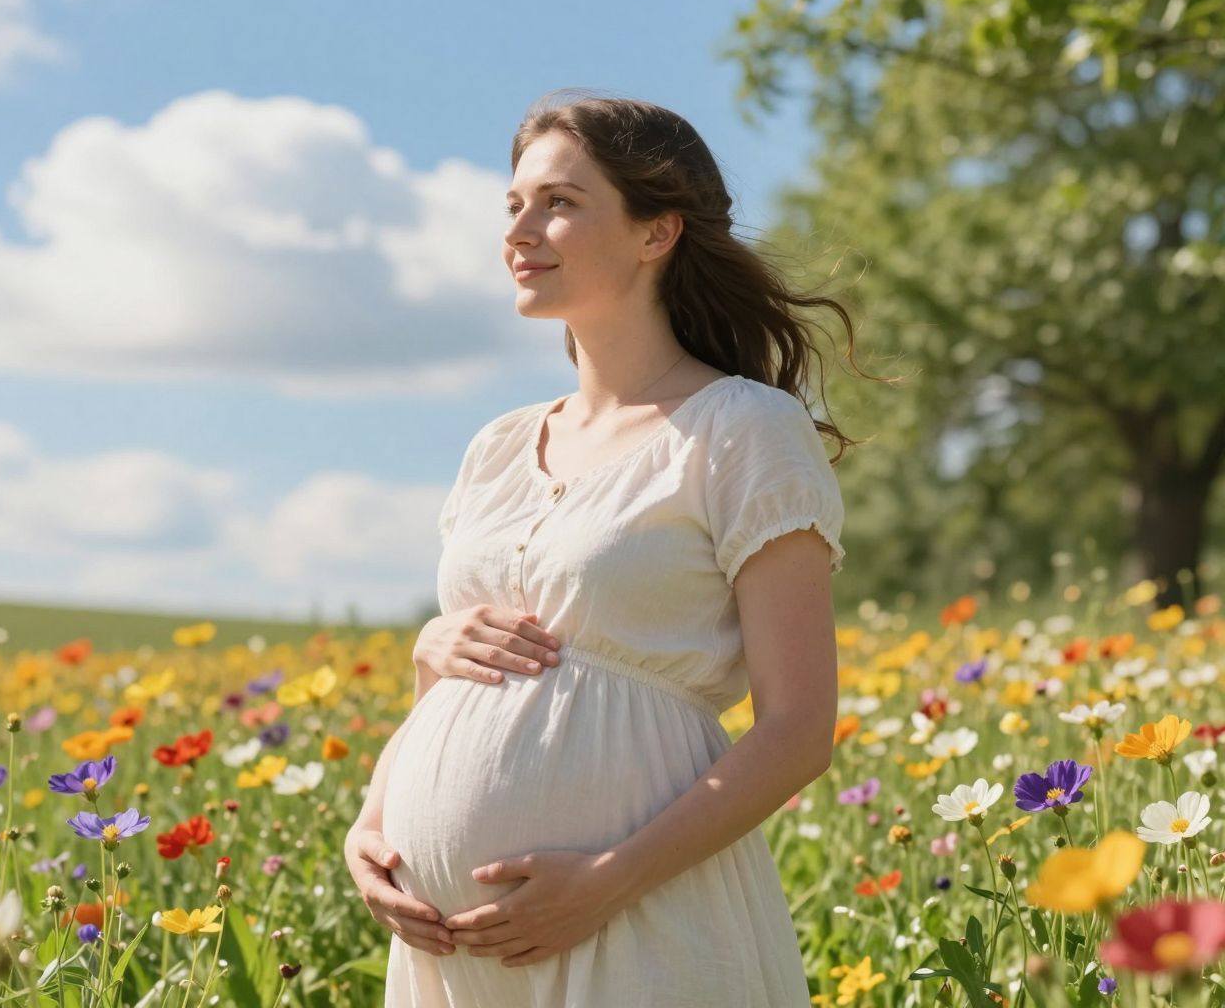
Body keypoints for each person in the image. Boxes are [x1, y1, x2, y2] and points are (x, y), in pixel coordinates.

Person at [343, 89, 876, 1007]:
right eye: (512, 205)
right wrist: (371, 818)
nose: (520, 230)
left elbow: (797, 732)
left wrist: (610, 880)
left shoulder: (742, 428)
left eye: (559, 202)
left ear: (655, 233)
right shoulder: (499, 446)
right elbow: (464, 683)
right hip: (455, 956)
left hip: (638, 917)